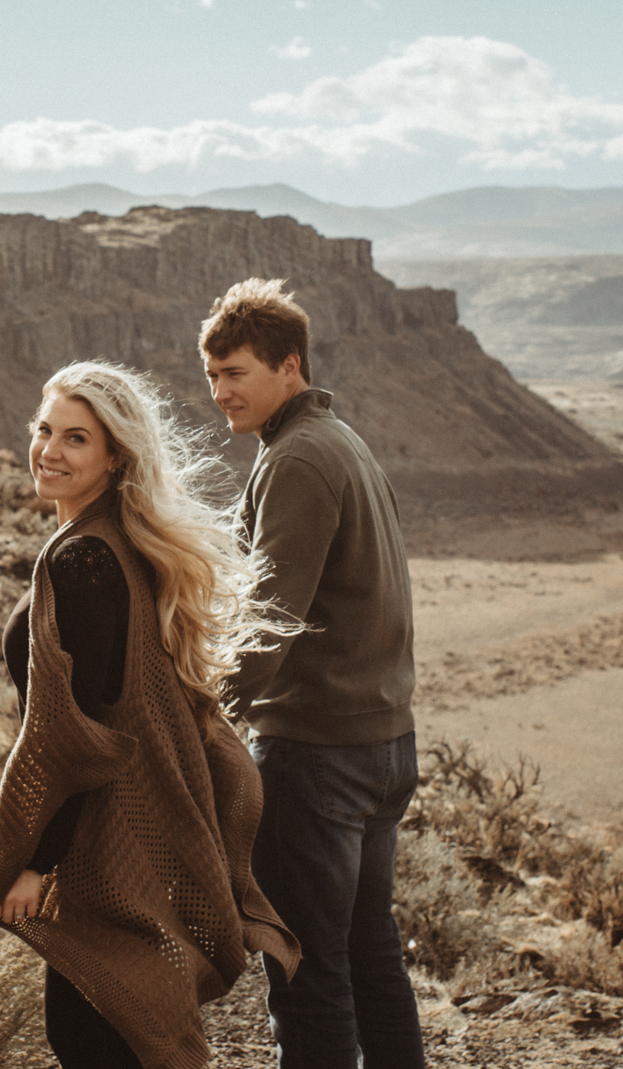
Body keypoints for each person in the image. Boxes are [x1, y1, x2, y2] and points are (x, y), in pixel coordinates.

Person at [0, 360, 302, 1069]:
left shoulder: (87, 561)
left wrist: (36, 864)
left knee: (94, 1032)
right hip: (130, 823)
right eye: (44, 431)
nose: (49, 451)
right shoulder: (118, 542)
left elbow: (87, 737)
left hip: (105, 840)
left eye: (76, 438)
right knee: (120, 1028)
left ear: (114, 455)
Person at [200, 278, 425, 1069]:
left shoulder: (298, 457)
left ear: (287, 365)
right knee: (369, 956)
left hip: (318, 755)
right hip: (384, 744)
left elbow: (267, 619)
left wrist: (205, 714)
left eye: (237, 373)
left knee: (306, 968)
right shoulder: (338, 439)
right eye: (214, 377)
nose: (222, 392)